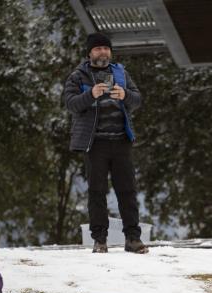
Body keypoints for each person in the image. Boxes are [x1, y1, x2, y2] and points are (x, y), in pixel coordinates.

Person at [64, 32, 148, 254]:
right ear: (90, 52)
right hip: (95, 143)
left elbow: (138, 99)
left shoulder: (120, 72)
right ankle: (100, 240)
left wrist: (125, 95)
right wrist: (91, 94)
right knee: (97, 192)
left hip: (121, 140)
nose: (103, 52)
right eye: (98, 48)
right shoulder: (78, 76)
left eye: (106, 48)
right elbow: (71, 104)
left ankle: (132, 239)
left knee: (127, 191)